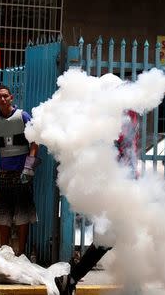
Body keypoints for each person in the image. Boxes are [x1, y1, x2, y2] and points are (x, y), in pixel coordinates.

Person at [56, 109, 140, 295]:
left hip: (128, 183)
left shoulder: (131, 114)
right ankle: (71, 278)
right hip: (119, 185)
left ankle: (71, 279)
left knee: (119, 236)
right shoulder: (114, 115)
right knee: (116, 236)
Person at [0, 85, 40, 256]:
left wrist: (29, 166)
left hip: (22, 172)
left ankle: (21, 253)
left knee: (23, 214)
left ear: (11, 97)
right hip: (4, 173)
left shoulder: (23, 116)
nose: (3, 99)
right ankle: (4, 251)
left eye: (5, 96)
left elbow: (34, 143)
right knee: (2, 214)